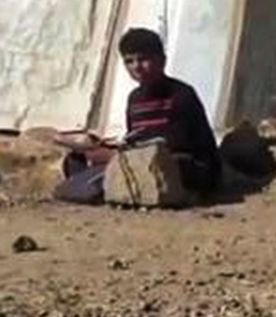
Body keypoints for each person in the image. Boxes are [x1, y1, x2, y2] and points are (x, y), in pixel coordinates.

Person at [55, 27, 222, 204]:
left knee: (163, 164)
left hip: (183, 163)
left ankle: (109, 186)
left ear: (162, 61)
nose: (137, 67)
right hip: (141, 159)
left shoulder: (181, 94)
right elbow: (135, 137)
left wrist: (117, 156)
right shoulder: (134, 99)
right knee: (76, 160)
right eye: (129, 61)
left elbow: (175, 143)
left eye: (143, 59)